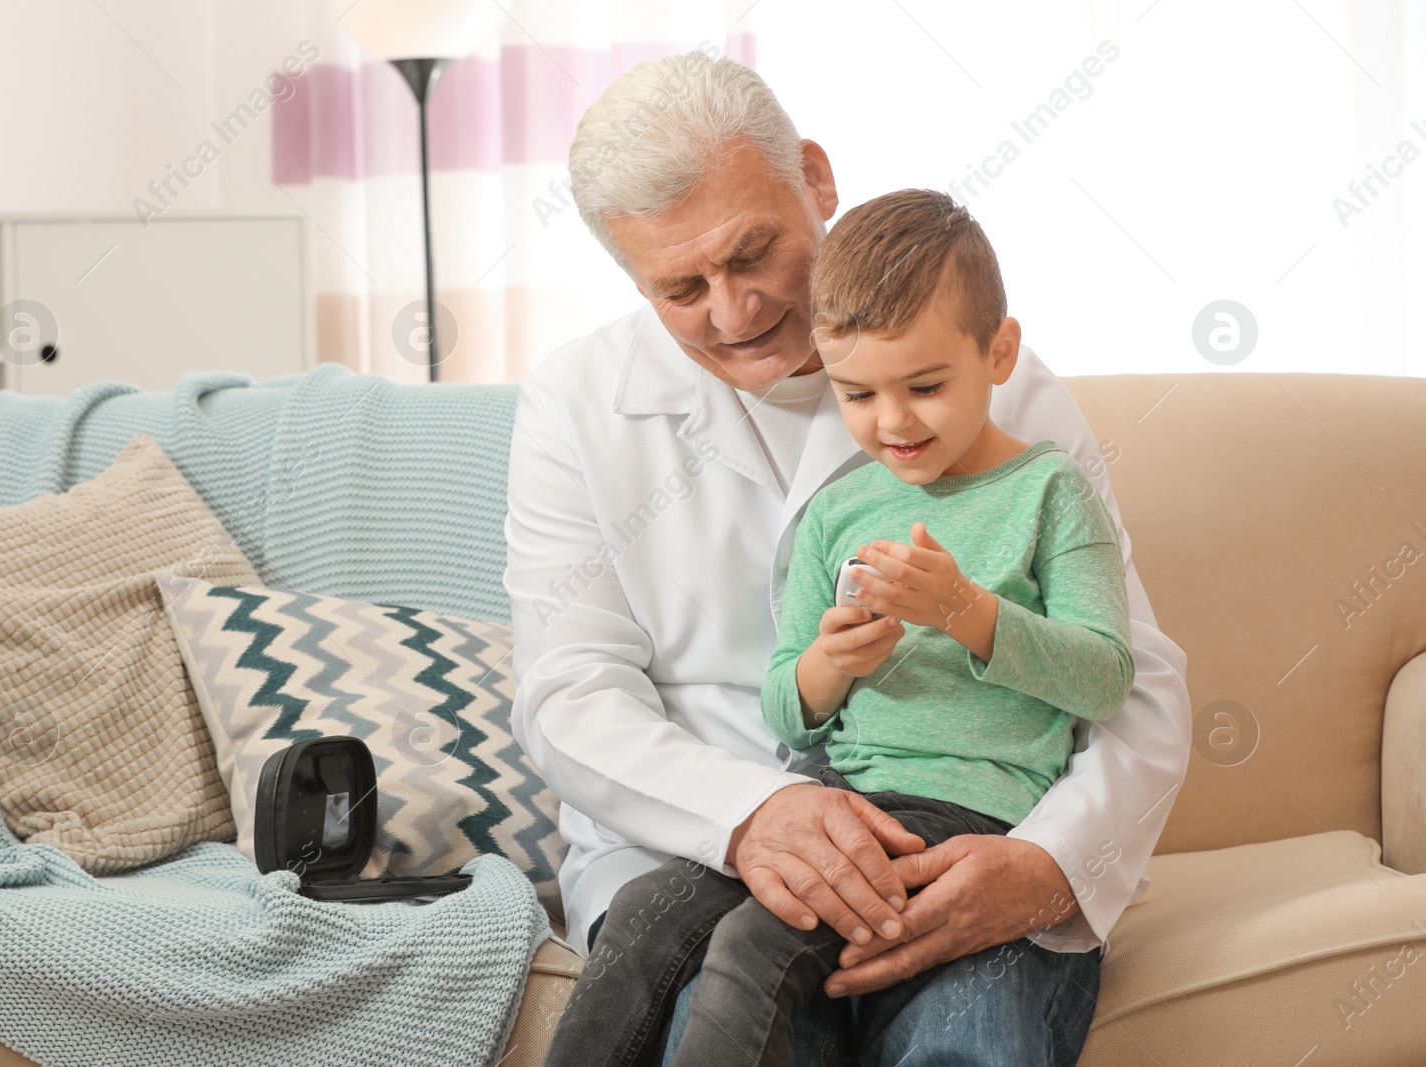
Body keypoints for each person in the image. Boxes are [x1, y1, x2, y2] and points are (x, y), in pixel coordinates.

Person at [504, 51, 1190, 1066]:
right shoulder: (573, 400)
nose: (735, 312)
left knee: (972, 1043)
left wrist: (1047, 860)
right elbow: (568, 692)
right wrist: (750, 814)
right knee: (717, 1025)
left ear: (816, 180)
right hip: (696, 835)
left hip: (967, 830)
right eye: (683, 287)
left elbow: (1129, 673)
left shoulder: (988, 384)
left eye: (755, 252)